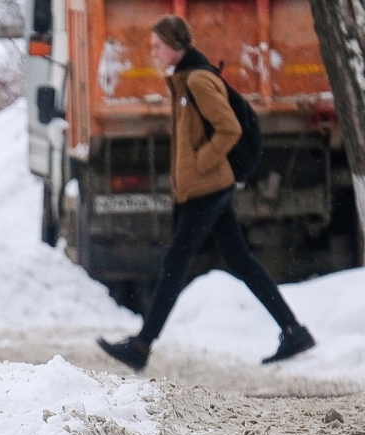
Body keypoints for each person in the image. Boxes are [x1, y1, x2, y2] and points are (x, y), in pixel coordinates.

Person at [97, 15, 315, 371]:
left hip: (208, 188)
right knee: (240, 259)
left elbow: (228, 129)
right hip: (201, 188)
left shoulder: (198, 80)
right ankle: (294, 330)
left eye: (156, 46)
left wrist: (201, 163)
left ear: (173, 46)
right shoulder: (186, 79)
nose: (152, 52)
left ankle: (141, 346)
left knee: (175, 264)